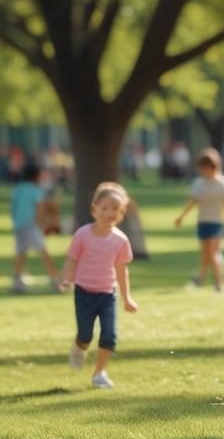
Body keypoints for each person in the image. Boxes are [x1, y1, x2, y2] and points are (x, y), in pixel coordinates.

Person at [60, 182, 138, 389]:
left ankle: (99, 373)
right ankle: (79, 346)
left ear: (121, 213)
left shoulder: (120, 240)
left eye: (115, 209)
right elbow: (71, 259)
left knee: (109, 336)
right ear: (94, 208)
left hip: (107, 295)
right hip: (84, 292)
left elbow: (122, 270)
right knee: (85, 335)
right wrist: (67, 279)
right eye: (104, 208)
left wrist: (126, 297)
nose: (109, 213)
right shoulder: (83, 235)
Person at [174, 147, 224, 292]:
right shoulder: (199, 183)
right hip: (203, 222)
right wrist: (181, 217)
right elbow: (192, 202)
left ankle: (219, 284)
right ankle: (200, 279)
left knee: (214, 255)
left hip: (217, 223)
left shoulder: (222, 182)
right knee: (205, 255)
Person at [10, 162, 61, 292]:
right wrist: (42, 226)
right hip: (31, 225)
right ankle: (55, 279)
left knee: (21, 253)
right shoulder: (36, 191)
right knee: (43, 252)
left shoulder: (18, 188)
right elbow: (39, 211)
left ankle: (17, 281)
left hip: (18, 225)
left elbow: (14, 208)